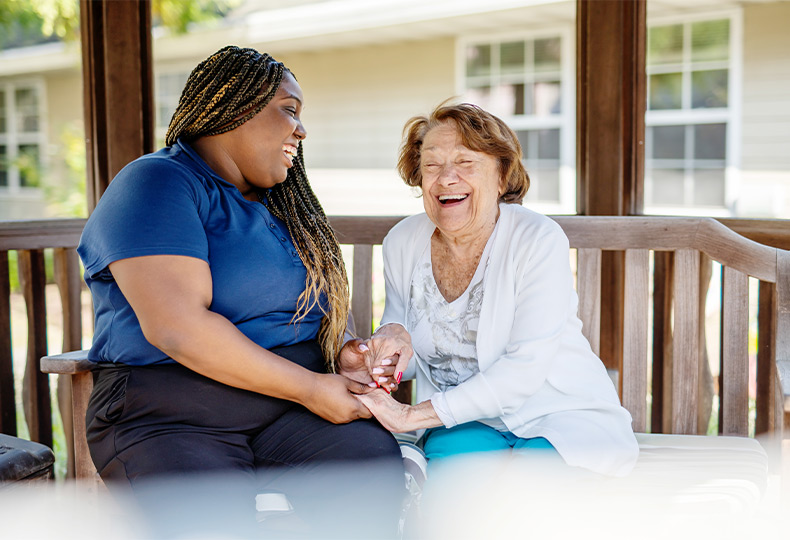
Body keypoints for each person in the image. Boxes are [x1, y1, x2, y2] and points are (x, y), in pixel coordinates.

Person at [77, 46, 405, 537]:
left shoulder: (285, 206)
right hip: (173, 415)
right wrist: (313, 389)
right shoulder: (158, 182)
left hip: (287, 408)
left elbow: (312, 311)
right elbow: (178, 328)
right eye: (289, 110)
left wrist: (342, 354)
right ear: (234, 105)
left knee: (368, 470)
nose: (302, 129)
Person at [355, 103, 639, 478]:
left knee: (527, 500)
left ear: (502, 177)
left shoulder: (536, 239)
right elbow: (399, 336)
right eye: (432, 165)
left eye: (465, 162)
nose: (446, 178)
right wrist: (384, 350)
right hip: (467, 423)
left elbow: (525, 370)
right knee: (457, 503)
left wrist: (411, 415)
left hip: (559, 414)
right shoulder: (403, 242)